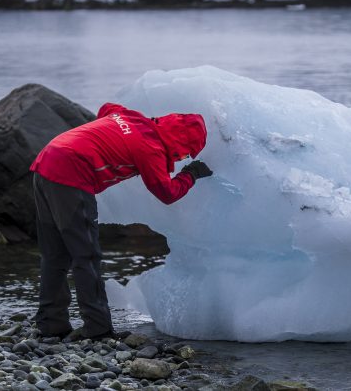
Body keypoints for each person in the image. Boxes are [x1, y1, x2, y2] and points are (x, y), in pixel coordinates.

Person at [29, 102, 213, 339]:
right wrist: (191, 173)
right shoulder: (151, 149)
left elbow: (107, 108)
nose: (181, 160)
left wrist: (109, 138)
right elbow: (167, 193)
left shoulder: (132, 117)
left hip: (46, 162)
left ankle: (50, 324)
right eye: (186, 154)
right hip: (71, 176)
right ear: (180, 145)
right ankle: (98, 328)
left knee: (55, 254)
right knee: (86, 255)